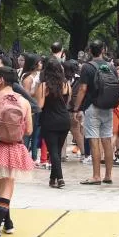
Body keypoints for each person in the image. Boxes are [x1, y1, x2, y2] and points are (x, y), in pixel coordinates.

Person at [0, 67, 34, 237]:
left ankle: (0, 225)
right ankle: (2, 224)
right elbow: (29, 130)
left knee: (2, 185)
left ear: (2, 80)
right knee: (7, 186)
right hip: (15, 148)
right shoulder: (24, 102)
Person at [72, 40, 116, 185]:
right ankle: (108, 175)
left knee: (94, 141)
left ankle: (96, 176)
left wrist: (77, 108)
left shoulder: (87, 67)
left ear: (90, 51)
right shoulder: (110, 66)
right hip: (108, 107)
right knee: (107, 140)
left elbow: (83, 89)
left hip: (92, 107)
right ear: (103, 50)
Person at [35, 58, 71, 188]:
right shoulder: (66, 84)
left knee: (53, 151)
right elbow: (67, 102)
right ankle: (52, 178)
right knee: (57, 150)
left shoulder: (44, 86)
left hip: (49, 120)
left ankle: (60, 178)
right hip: (64, 120)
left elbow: (40, 105)